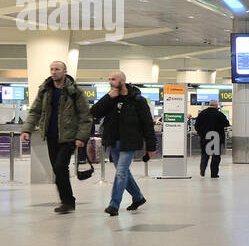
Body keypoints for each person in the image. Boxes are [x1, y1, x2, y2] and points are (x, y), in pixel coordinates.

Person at [20, 60, 92, 214]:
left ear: (64, 71)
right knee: (57, 169)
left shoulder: (75, 91)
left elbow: (85, 116)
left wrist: (81, 137)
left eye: (57, 69)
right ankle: (66, 201)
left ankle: (67, 201)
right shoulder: (45, 90)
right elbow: (35, 111)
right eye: (52, 69)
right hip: (52, 136)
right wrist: (27, 129)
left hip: (69, 137)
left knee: (60, 167)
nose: (53, 72)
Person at [89, 70, 157, 216]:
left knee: (120, 172)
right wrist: (108, 97)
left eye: (113, 79)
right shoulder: (110, 99)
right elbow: (94, 113)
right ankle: (138, 197)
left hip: (130, 142)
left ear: (122, 81)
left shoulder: (137, 100)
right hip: (113, 141)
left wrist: (151, 146)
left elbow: (147, 124)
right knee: (124, 172)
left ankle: (114, 205)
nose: (110, 82)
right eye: (109, 79)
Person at [194, 99, 229, 178]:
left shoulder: (202, 114)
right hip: (216, 138)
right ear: (216, 106)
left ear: (209, 105)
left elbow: (196, 126)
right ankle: (214, 173)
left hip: (205, 138)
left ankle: (202, 169)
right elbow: (226, 123)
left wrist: (201, 134)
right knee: (216, 156)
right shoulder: (219, 114)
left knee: (205, 154)